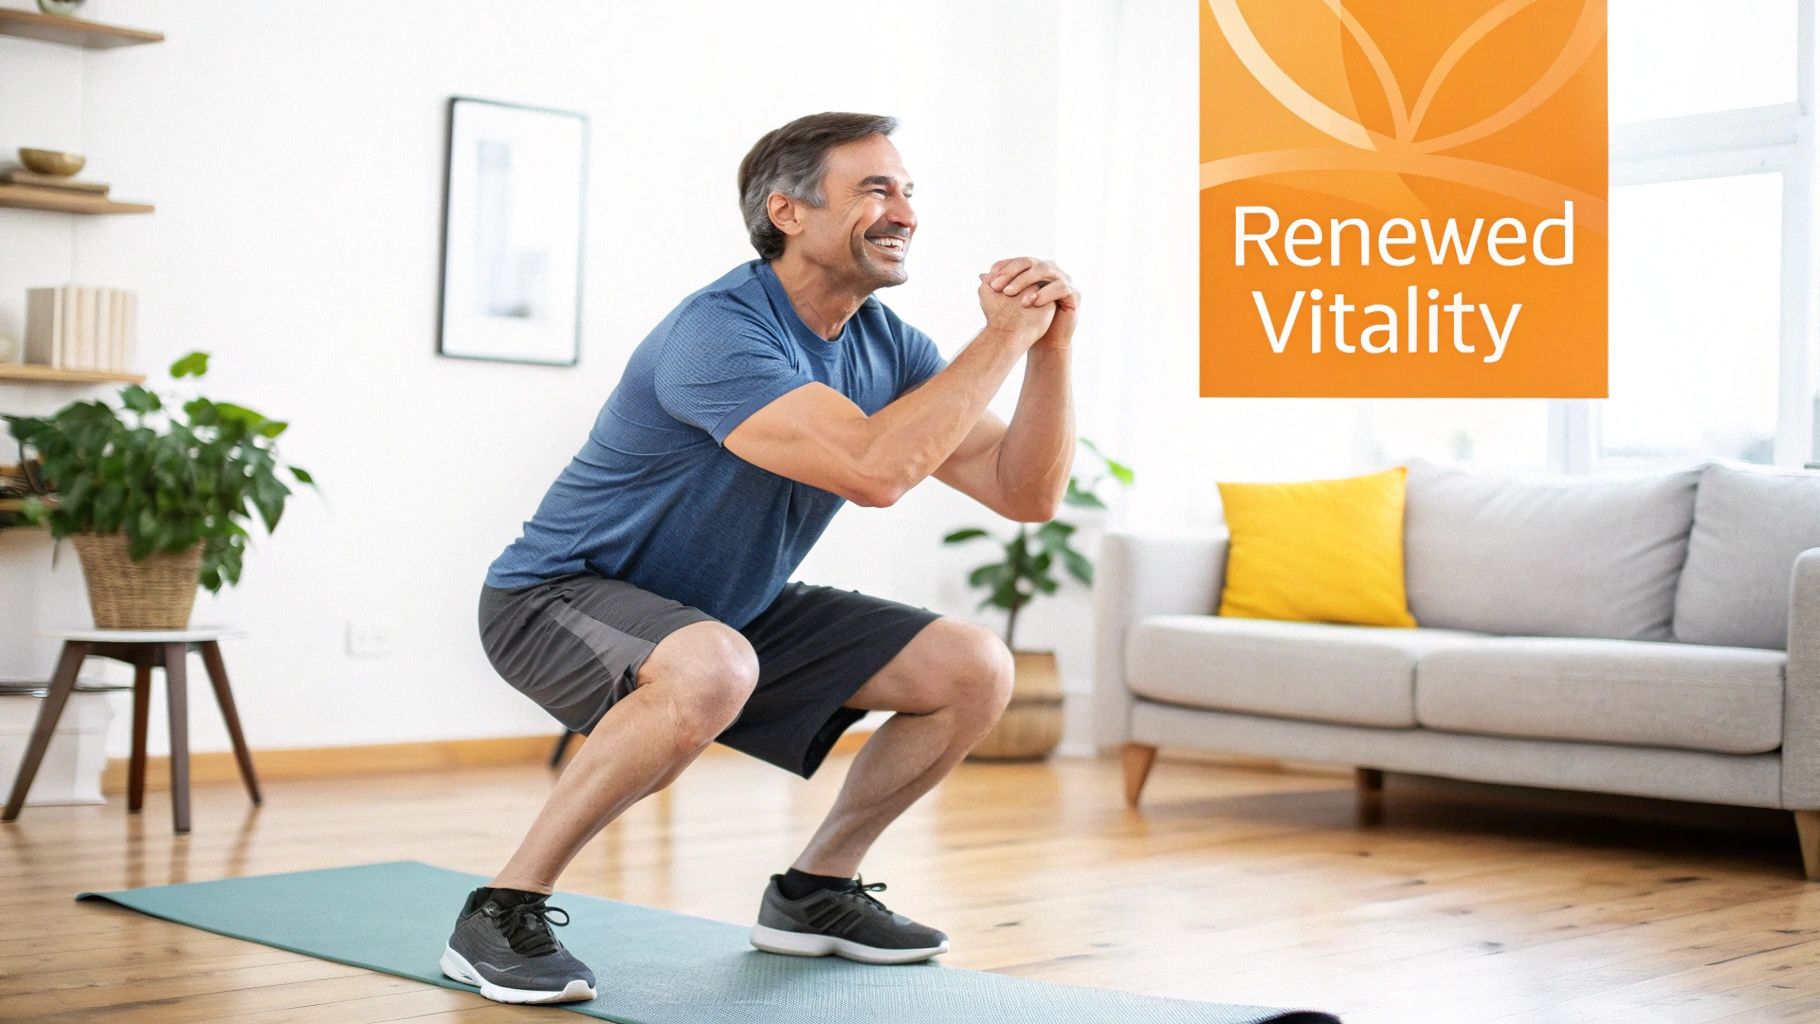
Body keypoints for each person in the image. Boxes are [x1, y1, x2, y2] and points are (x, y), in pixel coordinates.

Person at [442, 111, 1079, 1005]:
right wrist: (1000, 339)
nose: (903, 212)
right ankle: (499, 910)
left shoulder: (886, 343)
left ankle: (815, 893)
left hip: (728, 613)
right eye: (874, 189)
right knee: (710, 665)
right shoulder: (720, 332)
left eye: (907, 190)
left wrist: (1049, 351)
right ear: (787, 211)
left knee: (972, 667)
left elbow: (1026, 494)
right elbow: (873, 470)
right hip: (555, 598)